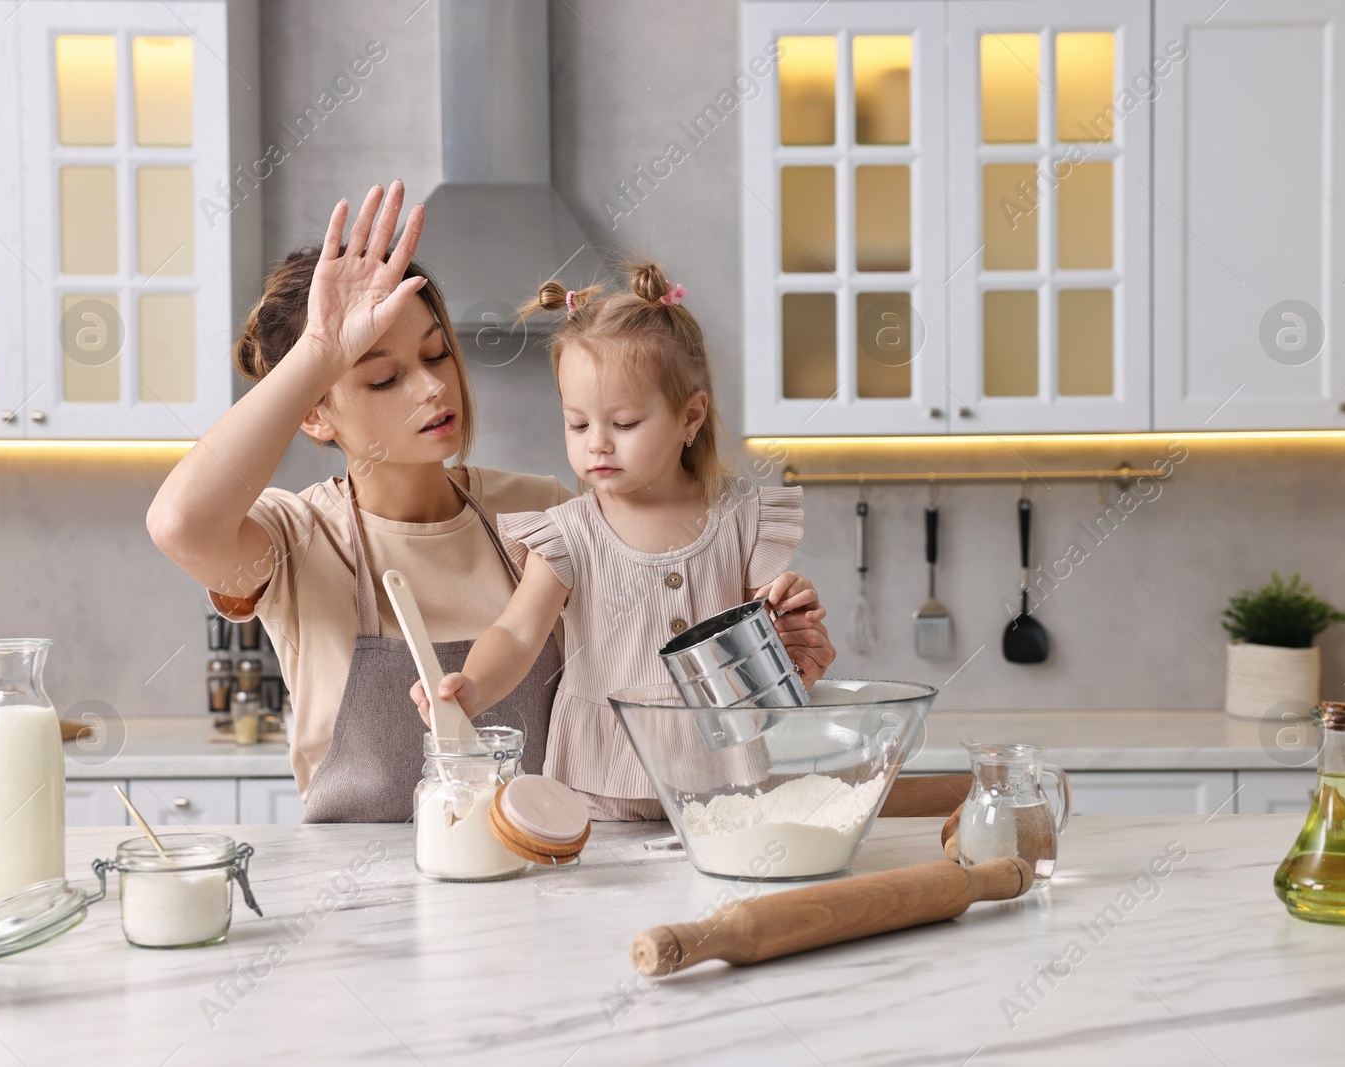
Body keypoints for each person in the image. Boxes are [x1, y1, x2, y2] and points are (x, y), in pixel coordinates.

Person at [147, 181, 837, 822]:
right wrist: (322, 350)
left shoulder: (539, 510)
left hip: (535, 881)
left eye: (438, 353)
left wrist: (769, 655)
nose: (431, 389)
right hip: (359, 910)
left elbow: (656, 673)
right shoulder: (295, 539)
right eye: (382, 377)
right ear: (315, 414)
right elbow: (179, 523)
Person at [413, 262, 825, 821]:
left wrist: (794, 618)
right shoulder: (569, 532)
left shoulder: (743, 516)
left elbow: (769, 635)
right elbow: (516, 630)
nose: (597, 446)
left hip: (726, 784)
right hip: (597, 785)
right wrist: (473, 687)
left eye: (625, 424)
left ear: (690, 416)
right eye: (578, 425)